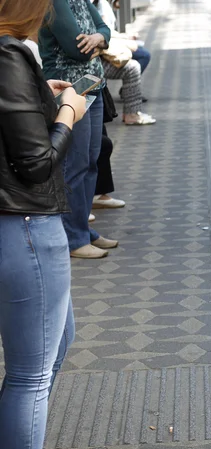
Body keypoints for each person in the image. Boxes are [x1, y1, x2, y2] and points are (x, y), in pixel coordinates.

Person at [0, 0, 88, 445]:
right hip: (25, 224)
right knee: (30, 376)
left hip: (16, 225)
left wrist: (40, 101)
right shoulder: (8, 53)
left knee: (57, 342)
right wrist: (69, 112)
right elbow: (36, 164)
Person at [39, 0, 119, 258]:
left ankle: (83, 229)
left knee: (91, 161)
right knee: (74, 165)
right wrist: (98, 45)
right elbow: (78, 51)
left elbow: (105, 29)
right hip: (69, 89)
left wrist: (99, 38)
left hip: (93, 85)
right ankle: (73, 238)